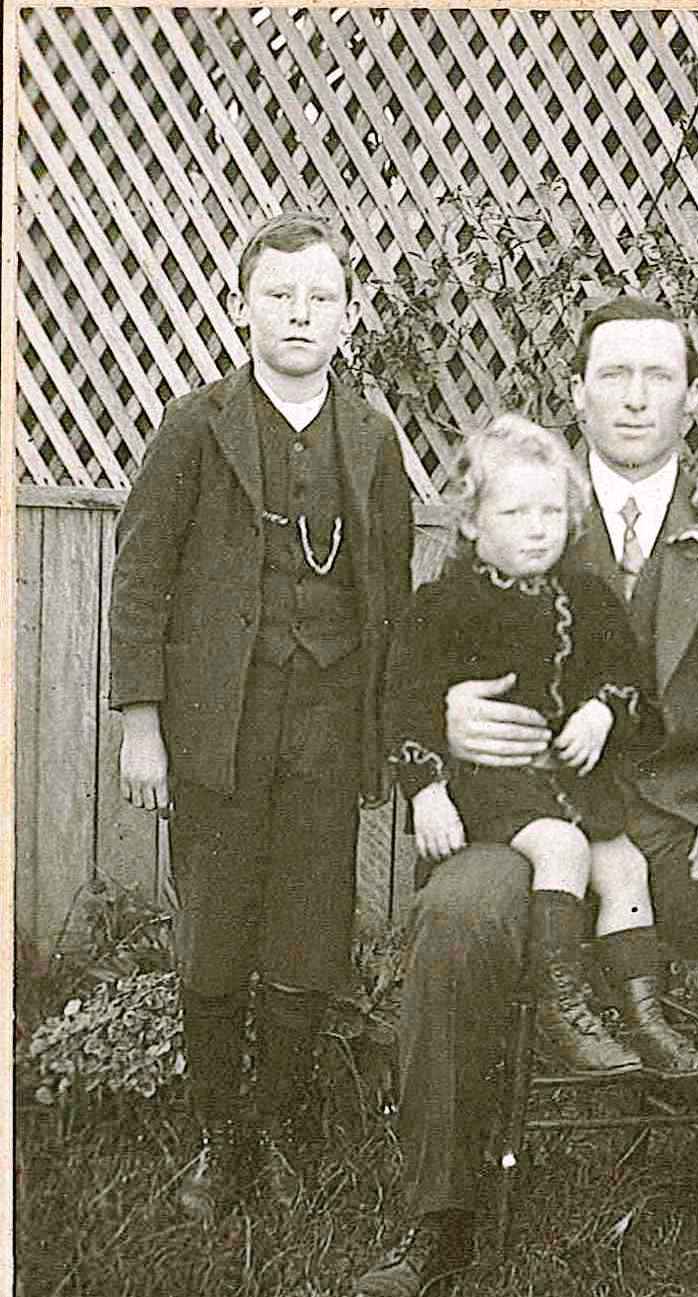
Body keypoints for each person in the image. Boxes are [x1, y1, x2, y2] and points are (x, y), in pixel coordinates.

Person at [349, 297, 698, 1297]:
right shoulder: (525, 508)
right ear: (574, 394)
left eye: (656, 375)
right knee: (454, 915)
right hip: (519, 815)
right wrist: (441, 726)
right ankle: (442, 1217)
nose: (631, 395)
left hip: (685, 826)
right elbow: (415, 658)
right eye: (609, 374)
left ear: (693, 398)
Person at [108, 212, 413, 1222]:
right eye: (277, 295)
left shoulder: (370, 438)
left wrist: (391, 739)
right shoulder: (195, 427)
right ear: (242, 309)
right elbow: (142, 576)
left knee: (308, 932)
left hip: (328, 725)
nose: (298, 313)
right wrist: (143, 721)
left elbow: (393, 592)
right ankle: (219, 1138)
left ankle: (281, 1125)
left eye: (318, 296)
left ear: (346, 313)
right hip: (217, 731)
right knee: (216, 930)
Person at [385, 412, 698, 1080]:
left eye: (551, 511)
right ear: (473, 523)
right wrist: (426, 793)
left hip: (573, 781)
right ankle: (564, 1007)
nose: (537, 527)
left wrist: (601, 711)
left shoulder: (589, 598)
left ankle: (645, 1019)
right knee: (563, 847)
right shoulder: (443, 605)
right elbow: (407, 703)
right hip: (492, 785)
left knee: (623, 862)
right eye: (514, 511)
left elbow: (629, 684)